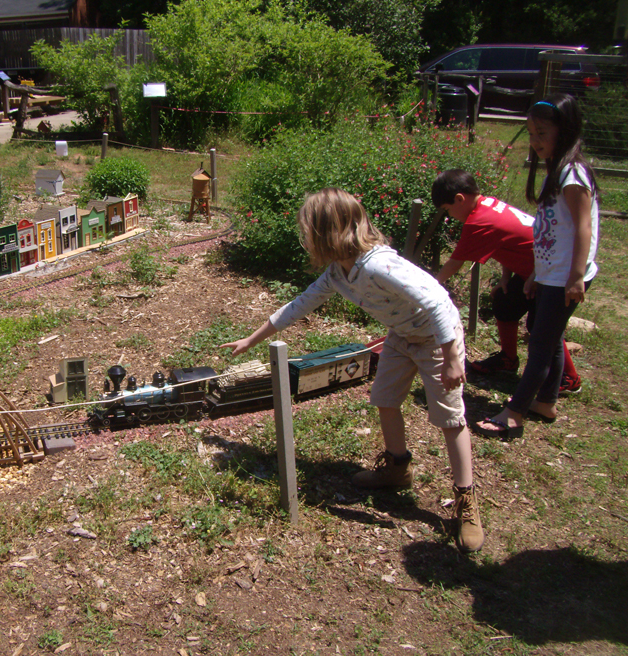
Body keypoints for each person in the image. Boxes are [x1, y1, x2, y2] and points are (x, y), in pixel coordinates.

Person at [221, 188, 483, 553]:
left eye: (309, 230)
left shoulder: (378, 265)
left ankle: (465, 500)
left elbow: (438, 299)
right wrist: (251, 339)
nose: (306, 238)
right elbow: (299, 305)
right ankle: (397, 468)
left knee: (449, 418)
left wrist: (452, 357)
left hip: (438, 339)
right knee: (385, 399)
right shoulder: (338, 274)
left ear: (329, 232)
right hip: (402, 336)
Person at [473, 93, 600, 440]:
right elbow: (554, 233)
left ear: (565, 130)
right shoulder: (556, 172)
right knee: (549, 336)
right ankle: (545, 401)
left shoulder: (573, 175)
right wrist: (536, 274)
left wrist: (575, 277)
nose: (535, 141)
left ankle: (514, 413)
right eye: (531, 134)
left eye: (542, 133)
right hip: (552, 274)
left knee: (541, 344)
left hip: (566, 278)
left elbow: (583, 229)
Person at [431, 169, 582, 393]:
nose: (450, 215)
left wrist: (431, 287)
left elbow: (455, 263)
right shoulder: (489, 204)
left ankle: (569, 378)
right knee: (505, 301)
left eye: (447, 210)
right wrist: (504, 277)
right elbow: (507, 243)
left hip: (553, 274)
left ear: (459, 199)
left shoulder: (479, 221)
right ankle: (508, 360)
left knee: (542, 327)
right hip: (532, 271)